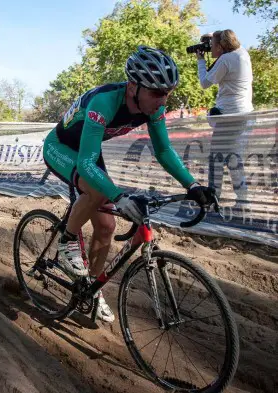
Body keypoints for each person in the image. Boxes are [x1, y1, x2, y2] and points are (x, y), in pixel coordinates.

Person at [42, 46, 216, 323]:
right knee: (98, 190)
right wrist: (120, 197)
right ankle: (66, 243)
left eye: (168, 92)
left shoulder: (152, 108)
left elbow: (163, 151)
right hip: (60, 147)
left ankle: (91, 289)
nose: (163, 100)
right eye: (157, 93)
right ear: (133, 86)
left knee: (107, 226)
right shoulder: (104, 102)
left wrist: (192, 185)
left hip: (87, 152)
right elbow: (87, 165)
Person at [196, 30, 253, 207]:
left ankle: (213, 198)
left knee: (216, 159)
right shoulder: (242, 53)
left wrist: (201, 60)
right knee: (233, 157)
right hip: (244, 114)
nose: (210, 47)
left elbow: (205, 83)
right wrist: (214, 36)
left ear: (221, 46)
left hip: (229, 117)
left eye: (212, 45)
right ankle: (243, 199)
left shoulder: (225, 59)